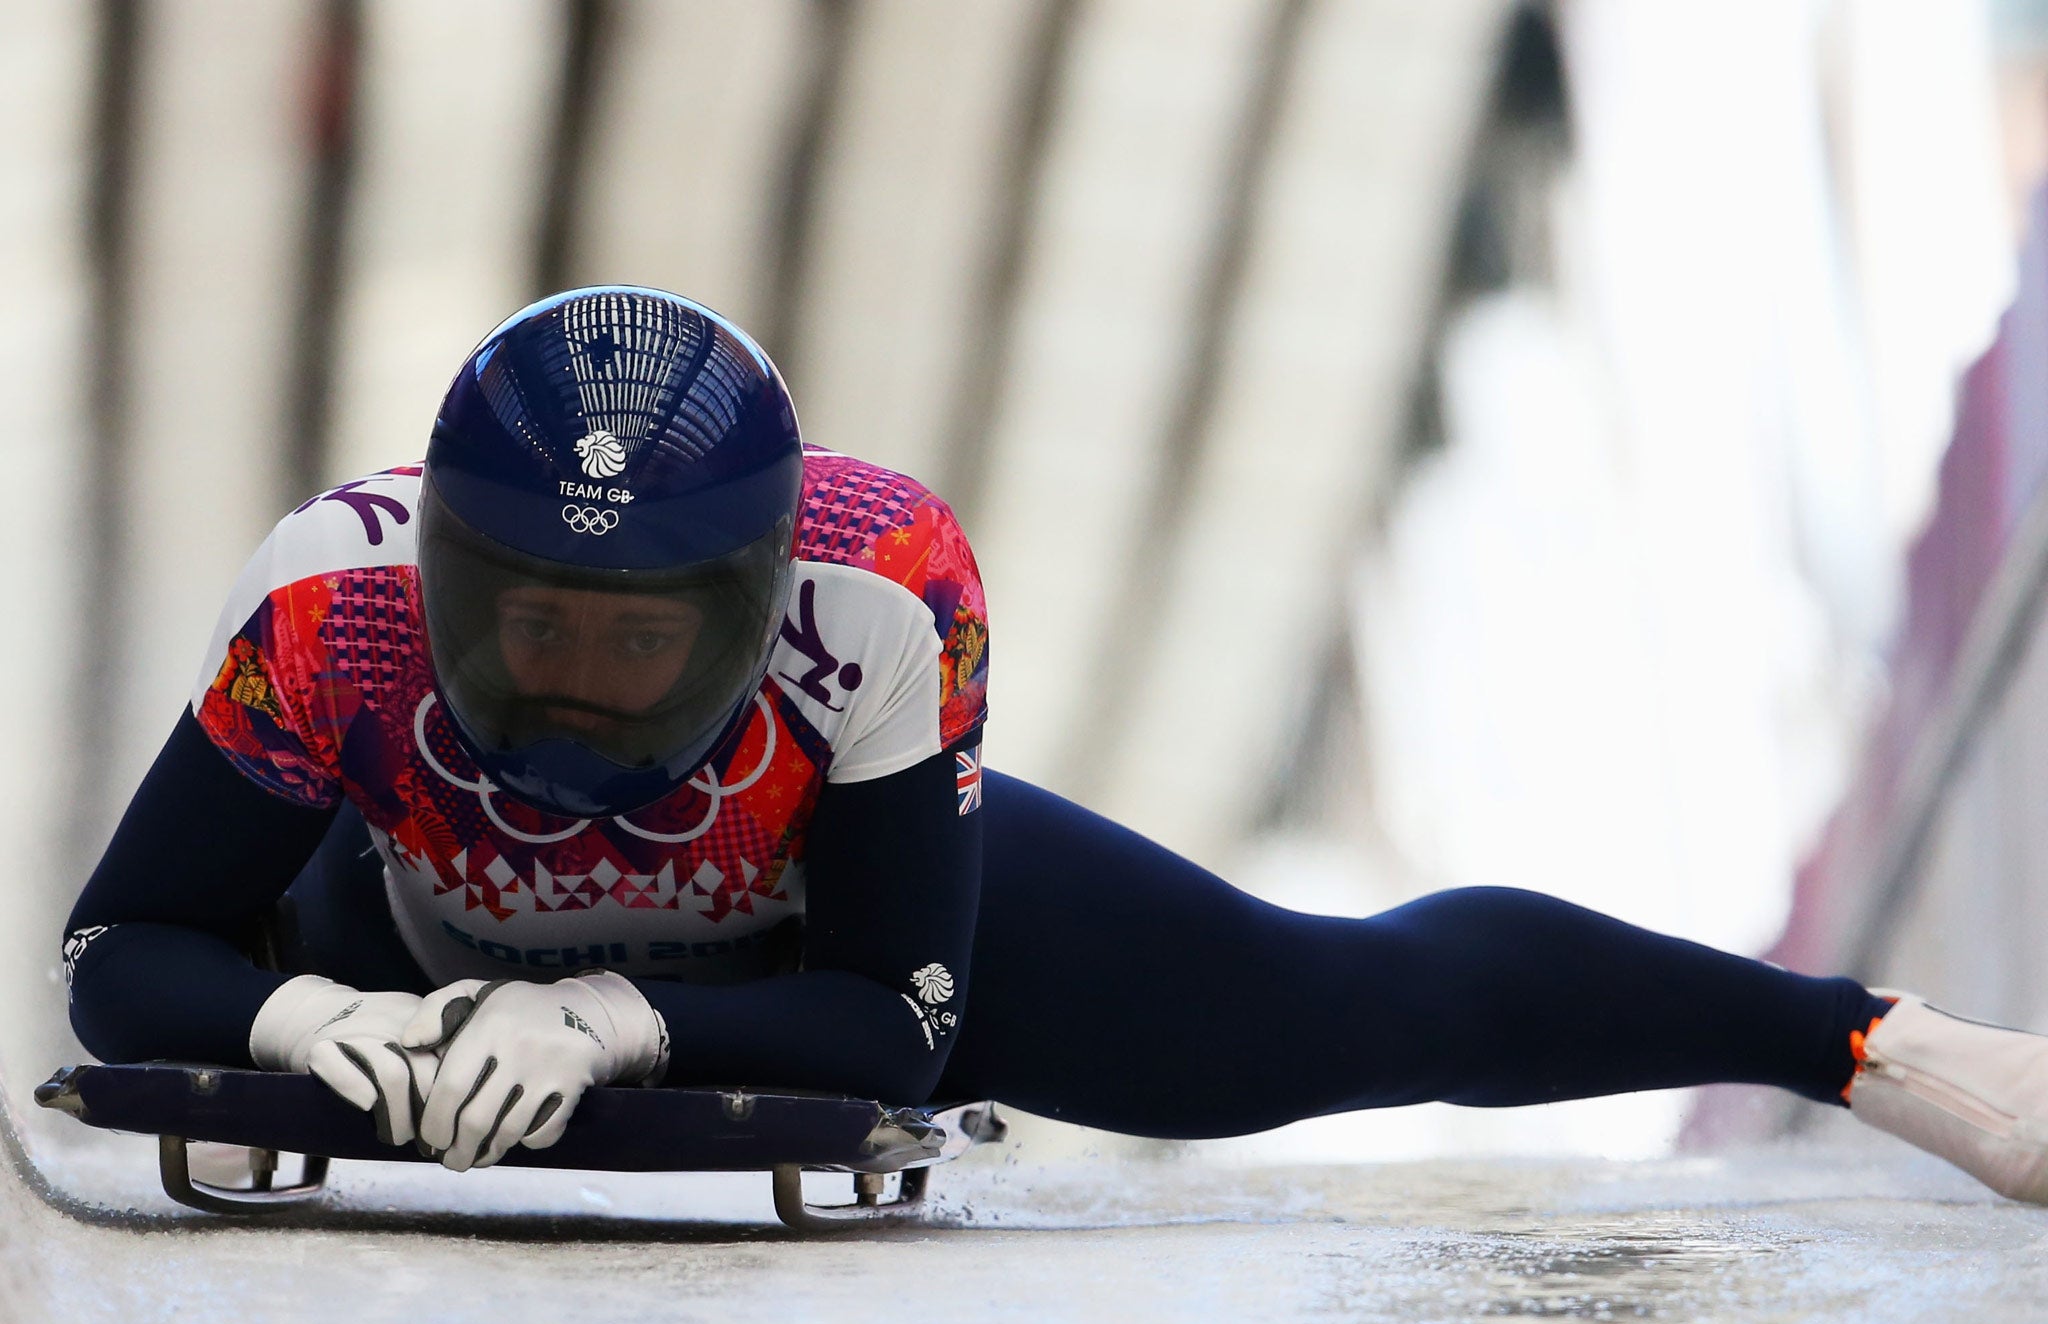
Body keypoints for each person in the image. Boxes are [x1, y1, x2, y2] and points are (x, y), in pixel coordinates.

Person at [61, 286, 2048, 1200]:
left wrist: (618, 1016)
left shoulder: (879, 589)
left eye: (638, 642)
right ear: (449, 572)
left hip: (814, 939)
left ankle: (1876, 1043)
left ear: (755, 610)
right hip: (418, 945)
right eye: (537, 628)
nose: (580, 692)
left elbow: (893, 1024)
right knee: (249, 954)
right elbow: (118, 952)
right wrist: (289, 1028)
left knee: (1348, 1009)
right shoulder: (333, 601)